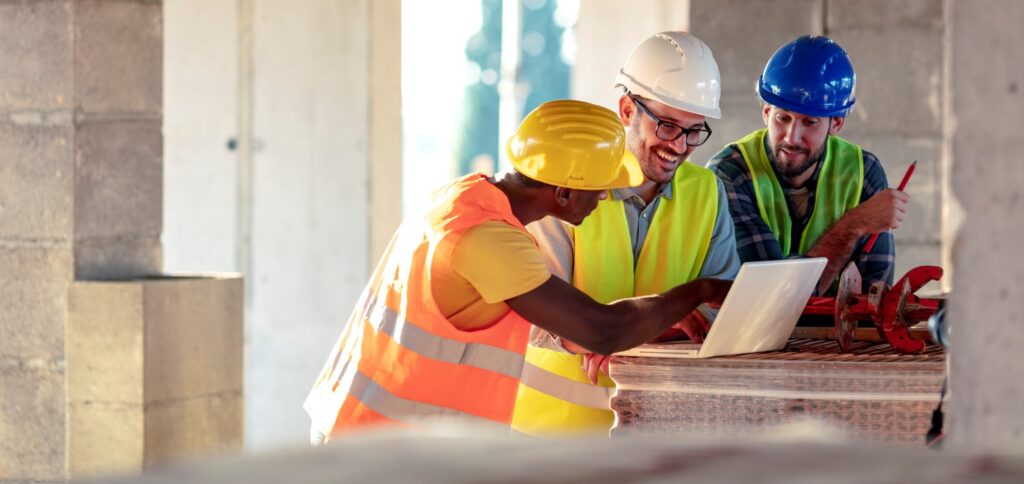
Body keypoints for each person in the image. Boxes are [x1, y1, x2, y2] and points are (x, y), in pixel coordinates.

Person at [303, 100, 731, 443]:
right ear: (563, 192)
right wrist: (700, 290)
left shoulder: (466, 196)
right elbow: (601, 330)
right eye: (600, 187)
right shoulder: (489, 240)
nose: (605, 197)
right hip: (378, 446)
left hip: (374, 434)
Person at [511, 32, 740, 436]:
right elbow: (543, 322)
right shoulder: (565, 182)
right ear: (626, 109)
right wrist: (666, 317)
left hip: (660, 430)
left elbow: (720, 313)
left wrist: (633, 332)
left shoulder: (707, 192)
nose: (680, 146)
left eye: (694, 131)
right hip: (556, 435)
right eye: (668, 126)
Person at [707, 35, 907, 296]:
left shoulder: (864, 173)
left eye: (809, 122)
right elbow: (771, 298)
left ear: (836, 124)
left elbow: (874, 300)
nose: (791, 137)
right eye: (782, 118)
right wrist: (853, 226)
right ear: (766, 113)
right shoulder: (730, 173)